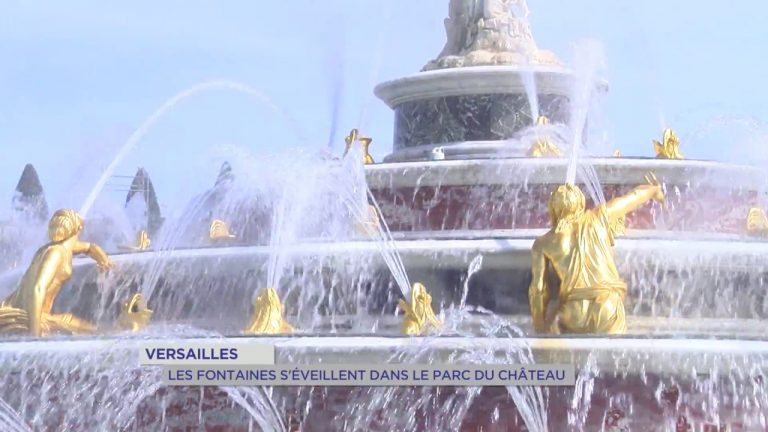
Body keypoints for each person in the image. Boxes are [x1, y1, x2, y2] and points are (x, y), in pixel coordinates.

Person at [528, 174, 664, 334]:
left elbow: (538, 290)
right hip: (606, 304)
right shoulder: (599, 217)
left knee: (572, 358)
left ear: (553, 208)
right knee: (613, 357)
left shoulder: (543, 242)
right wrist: (654, 189)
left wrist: (539, 326)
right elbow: (632, 198)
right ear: (580, 203)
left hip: (573, 311)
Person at [0, 209, 112, 336]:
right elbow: (38, 288)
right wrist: (34, 334)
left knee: (90, 329)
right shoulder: (56, 253)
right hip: (29, 316)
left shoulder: (61, 247)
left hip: (38, 314)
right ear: (79, 228)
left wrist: (104, 260)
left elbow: (89, 247)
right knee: (90, 330)